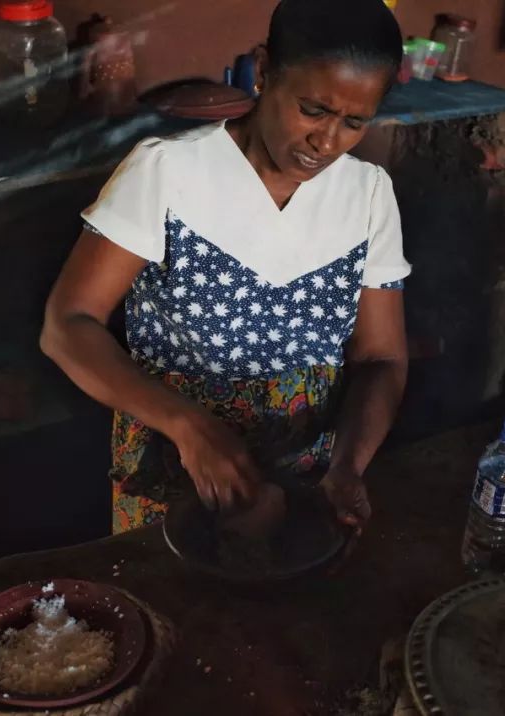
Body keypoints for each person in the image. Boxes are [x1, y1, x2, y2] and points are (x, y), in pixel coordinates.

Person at [41, 0, 410, 535]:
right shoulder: (169, 171)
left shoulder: (368, 193)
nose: (326, 142)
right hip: (177, 469)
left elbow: (382, 357)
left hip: (307, 476)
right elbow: (66, 327)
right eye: (312, 110)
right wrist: (190, 428)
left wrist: (347, 468)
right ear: (263, 71)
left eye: (355, 122)